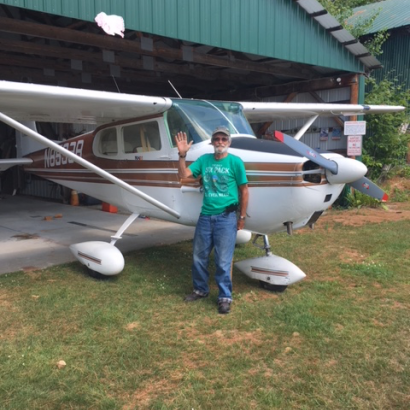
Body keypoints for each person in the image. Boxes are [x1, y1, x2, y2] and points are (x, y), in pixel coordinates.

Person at [175, 126, 249, 314]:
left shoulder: (235, 162)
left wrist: (241, 217)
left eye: (224, 139)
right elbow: (183, 176)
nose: (220, 142)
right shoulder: (204, 161)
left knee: (223, 261)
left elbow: (244, 190)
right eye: (216, 139)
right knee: (198, 257)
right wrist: (182, 155)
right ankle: (200, 290)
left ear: (229, 142)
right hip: (206, 217)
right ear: (212, 142)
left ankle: (225, 297)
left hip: (226, 218)